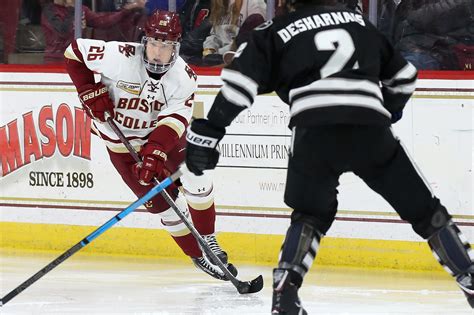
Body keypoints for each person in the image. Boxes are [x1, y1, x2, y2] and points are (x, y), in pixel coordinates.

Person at [184, 0, 474, 313]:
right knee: (426, 213)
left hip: (313, 130)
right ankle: (469, 277)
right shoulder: (360, 24)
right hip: (370, 130)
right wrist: (385, 112)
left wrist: (207, 134)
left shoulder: (275, 30)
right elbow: (404, 77)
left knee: (309, 214)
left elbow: (239, 85)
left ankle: (285, 290)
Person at [64, 10, 237, 281]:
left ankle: (209, 239)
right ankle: (196, 254)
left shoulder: (184, 78)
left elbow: (175, 120)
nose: (158, 52)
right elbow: (74, 51)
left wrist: (155, 152)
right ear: (144, 41)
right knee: (163, 206)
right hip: (120, 144)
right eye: (154, 43)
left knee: (197, 178)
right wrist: (87, 89)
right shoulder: (118, 56)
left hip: (162, 137)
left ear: (176, 48)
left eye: (166, 46)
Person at [41, 0, 145, 63]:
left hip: (77, 58)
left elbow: (102, 21)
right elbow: (62, 31)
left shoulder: (81, 9)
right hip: (56, 60)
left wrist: (126, 11)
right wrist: (73, 9)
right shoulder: (49, 11)